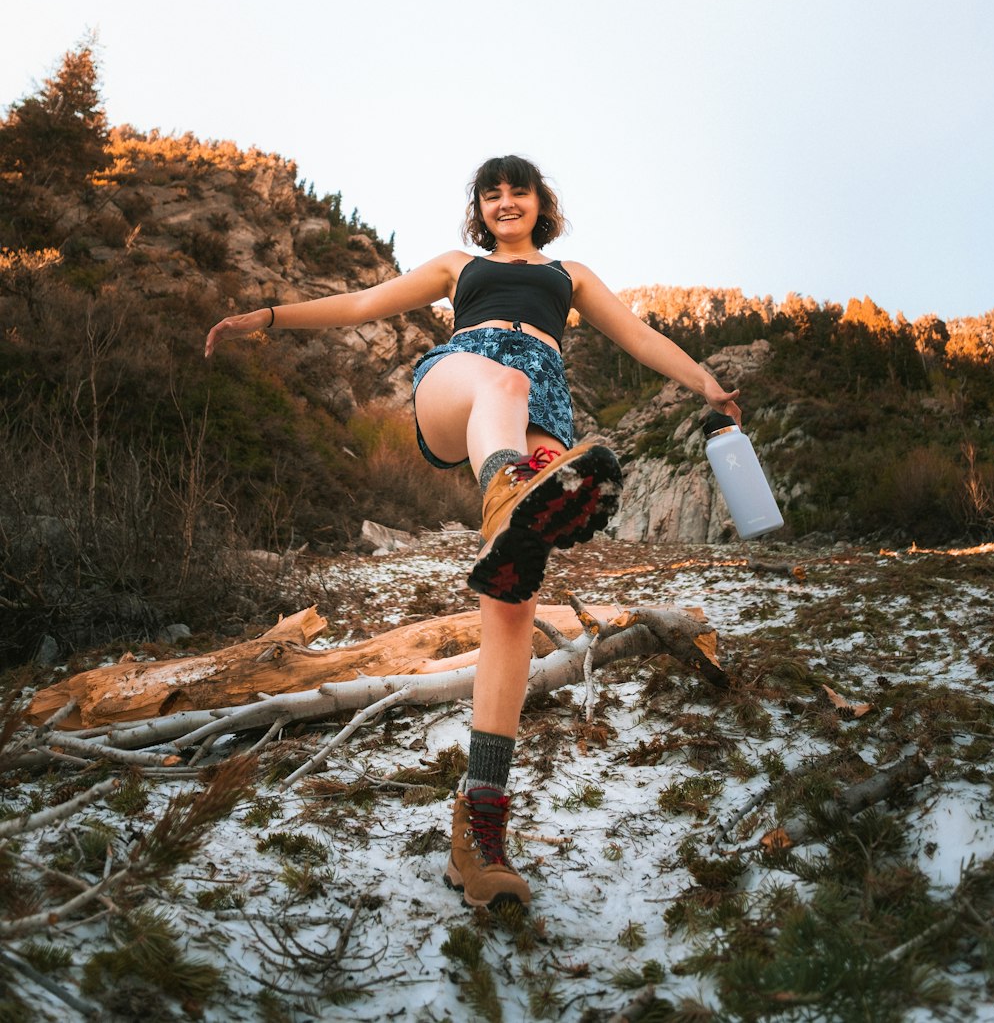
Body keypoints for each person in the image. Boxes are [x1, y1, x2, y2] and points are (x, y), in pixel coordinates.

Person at [205, 154, 740, 910]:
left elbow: (643, 339)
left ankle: (480, 828)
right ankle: (507, 495)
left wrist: (706, 383)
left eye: (517, 189)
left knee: (513, 602)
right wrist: (266, 317)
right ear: (480, 209)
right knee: (505, 382)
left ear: (539, 202)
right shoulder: (459, 269)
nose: (504, 200)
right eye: (491, 192)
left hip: (540, 416)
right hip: (464, 379)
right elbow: (363, 303)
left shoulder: (571, 276)